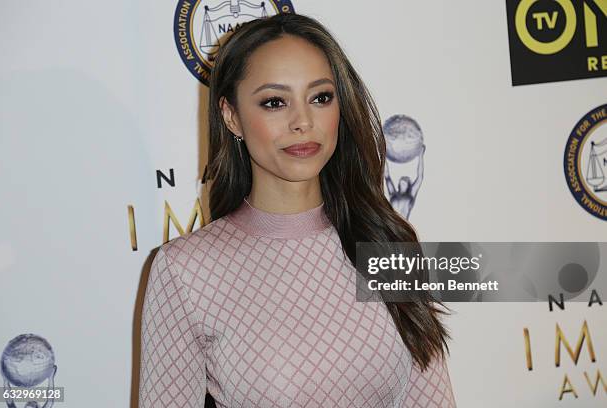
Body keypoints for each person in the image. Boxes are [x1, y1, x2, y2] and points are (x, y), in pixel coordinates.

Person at [139, 13, 456, 407]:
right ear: (231, 115)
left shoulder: (387, 244)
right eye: (275, 102)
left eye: (320, 97)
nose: (303, 121)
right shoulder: (186, 272)